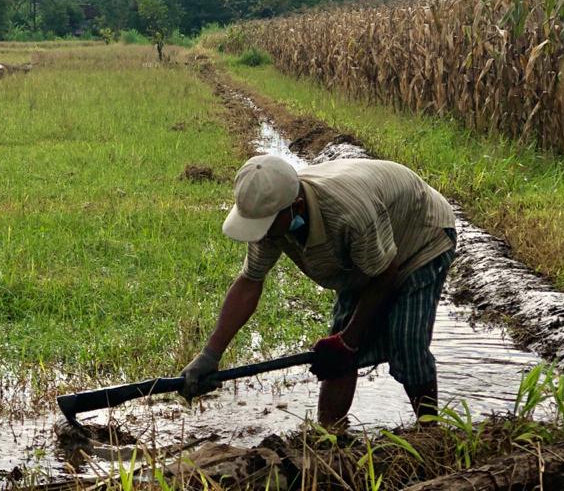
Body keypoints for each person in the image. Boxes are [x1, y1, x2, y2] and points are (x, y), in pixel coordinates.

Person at [180, 154, 458, 427]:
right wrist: (210, 354)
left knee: (406, 340)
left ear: (296, 207)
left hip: (421, 235)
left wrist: (349, 341)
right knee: (338, 349)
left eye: (265, 226)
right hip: (368, 253)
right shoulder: (270, 218)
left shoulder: (350, 214)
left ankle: (429, 431)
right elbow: (249, 283)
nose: (260, 234)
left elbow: (385, 274)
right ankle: (329, 435)